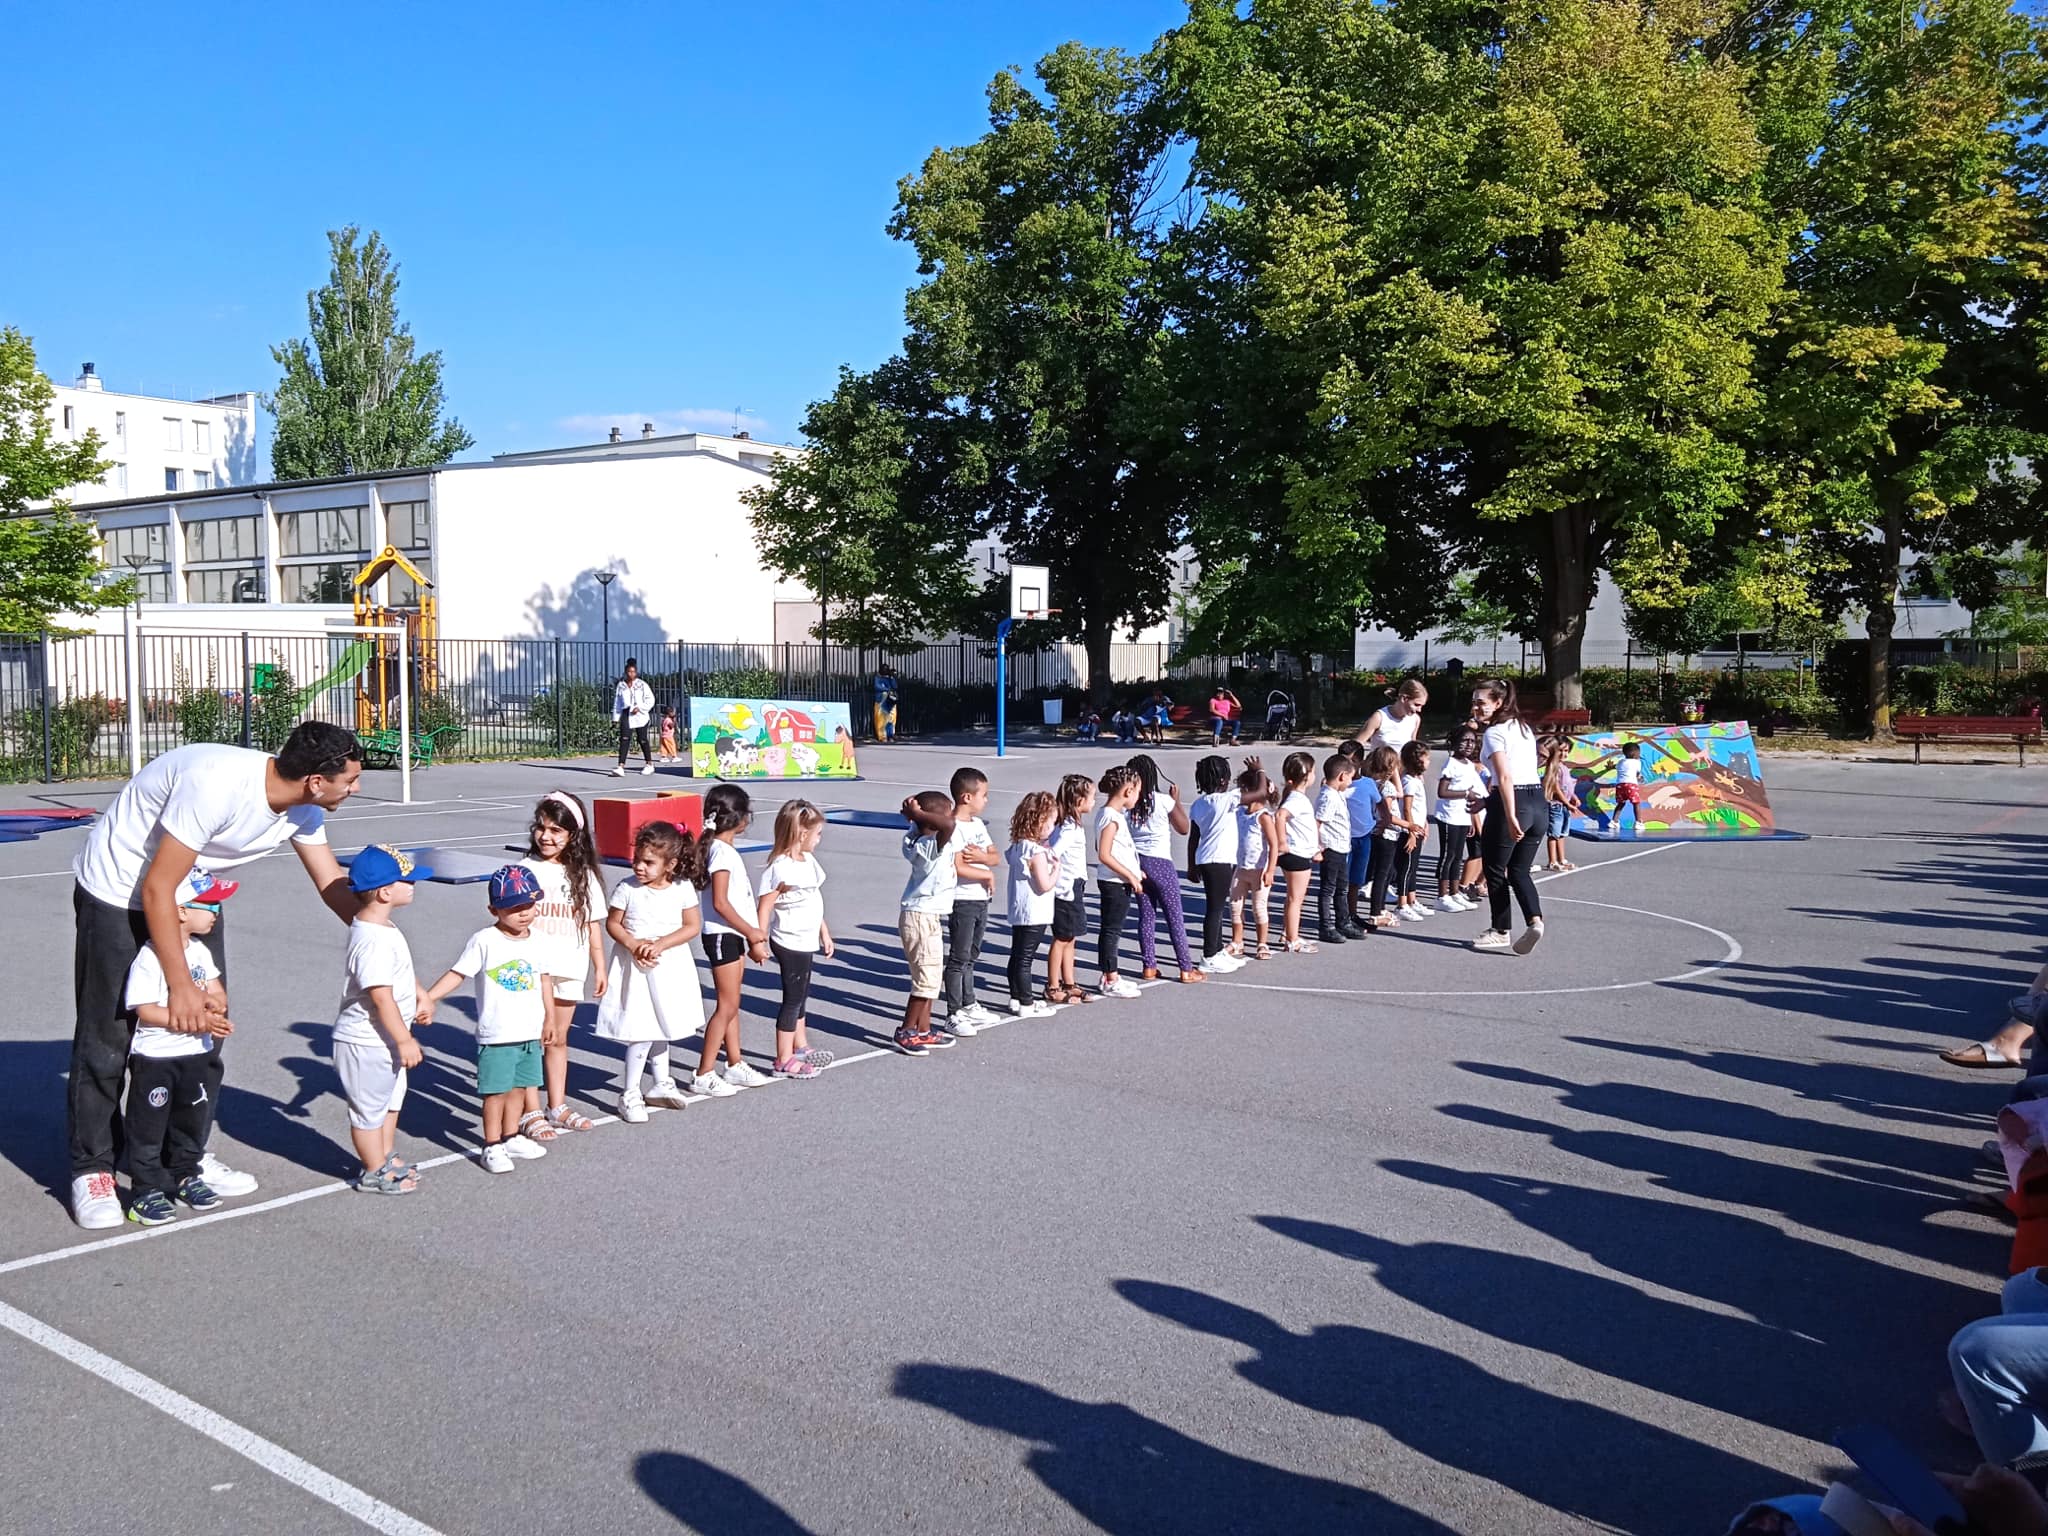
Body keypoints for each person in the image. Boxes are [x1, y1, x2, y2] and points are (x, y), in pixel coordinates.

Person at [67, 721, 364, 1229]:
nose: (355, 788)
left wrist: (378, 925)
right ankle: (91, 1168)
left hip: (191, 897)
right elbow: (157, 888)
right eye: (351, 780)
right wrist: (179, 986)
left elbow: (331, 882)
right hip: (120, 891)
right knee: (110, 1037)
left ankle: (183, 1159)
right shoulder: (216, 785)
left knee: (206, 1030)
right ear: (316, 779)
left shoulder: (304, 809)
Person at [419, 865, 558, 1176]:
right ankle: (492, 1144)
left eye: (529, 905)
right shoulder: (485, 940)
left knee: (521, 1087)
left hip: (529, 1032)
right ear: (493, 909)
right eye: (513, 908)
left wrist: (550, 1018)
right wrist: (429, 997)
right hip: (497, 1034)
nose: (523, 913)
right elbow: (458, 973)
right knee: (495, 1093)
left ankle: (511, 1137)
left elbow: (545, 981)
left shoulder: (540, 941)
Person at [120, 870, 237, 1225]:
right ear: (181, 911)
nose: (216, 912)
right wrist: (193, 1018)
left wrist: (215, 1005)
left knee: (191, 1117)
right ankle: (145, 1190)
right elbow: (145, 1010)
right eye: (210, 904)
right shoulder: (151, 958)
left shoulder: (200, 951)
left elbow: (216, 990)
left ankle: (186, 1175)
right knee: (149, 1125)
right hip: (157, 1058)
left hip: (194, 1055)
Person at [331, 846, 429, 1197]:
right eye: (408, 880)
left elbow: (397, 978)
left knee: (390, 1100)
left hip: (383, 1037)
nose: (415, 885)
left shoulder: (383, 926)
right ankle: (373, 1170)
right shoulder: (371, 940)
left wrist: (421, 994)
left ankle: (384, 1156)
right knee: (368, 1111)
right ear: (385, 891)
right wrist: (403, 1038)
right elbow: (380, 995)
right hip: (365, 1041)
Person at [597, 821, 704, 1122]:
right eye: (637, 860)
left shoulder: (682, 888)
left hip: (667, 965)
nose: (639, 867)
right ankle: (630, 1091)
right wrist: (634, 945)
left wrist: (661, 944)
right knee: (641, 1030)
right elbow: (613, 923)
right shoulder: (627, 888)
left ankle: (660, 1083)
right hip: (636, 968)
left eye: (648, 862)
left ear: (670, 864)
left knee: (662, 1024)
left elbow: (692, 926)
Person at [519, 791, 606, 1139]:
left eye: (556, 830)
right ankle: (530, 1111)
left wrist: (599, 966)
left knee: (557, 1039)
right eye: (541, 827)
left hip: (568, 969)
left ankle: (557, 1105)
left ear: (573, 835)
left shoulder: (582, 875)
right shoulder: (524, 870)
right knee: (529, 1040)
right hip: (530, 972)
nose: (546, 836)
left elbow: (591, 924)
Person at [692, 784, 771, 1096]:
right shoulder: (721, 854)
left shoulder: (723, 850)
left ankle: (734, 1063)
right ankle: (704, 1072)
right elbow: (721, 903)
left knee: (733, 1002)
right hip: (722, 935)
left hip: (733, 935)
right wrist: (752, 932)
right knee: (726, 1006)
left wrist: (749, 938)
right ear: (739, 818)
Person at [756, 799, 838, 1078]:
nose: (819, 839)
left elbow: (814, 899)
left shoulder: (808, 862)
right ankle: (783, 1058)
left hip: (806, 938)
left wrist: (824, 931)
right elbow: (765, 906)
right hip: (789, 940)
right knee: (792, 999)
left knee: (801, 994)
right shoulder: (781, 868)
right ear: (802, 834)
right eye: (817, 834)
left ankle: (800, 1045)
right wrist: (759, 939)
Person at [1471, 678, 1545, 955]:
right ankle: (1535, 921)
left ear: (1498, 703)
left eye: (1482, 702)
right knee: (1519, 870)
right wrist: (1487, 801)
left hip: (1514, 804)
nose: (1476, 707)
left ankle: (1500, 930)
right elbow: (1526, 769)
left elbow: (1504, 775)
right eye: (1474, 701)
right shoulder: (1524, 728)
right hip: (1537, 802)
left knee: (1494, 869)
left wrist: (1511, 815)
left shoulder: (1494, 732)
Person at [1127, 753, 1202, 984]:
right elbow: (1183, 827)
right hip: (1161, 862)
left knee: (1146, 916)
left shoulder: (1127, 805)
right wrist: (1176, 800)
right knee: (1174, 916)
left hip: (1137, 863)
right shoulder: (1162, 801)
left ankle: (1149, 965)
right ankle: (1186, 968)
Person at [898, 791, 962, 1053]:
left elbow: (943, 823)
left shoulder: (916, 836)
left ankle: (924, 1029)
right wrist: (918, 814)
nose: (950, 817)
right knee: (924, 979)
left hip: (926, 915)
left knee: (932, 977)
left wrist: (915, 815)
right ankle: (907, 1031)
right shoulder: (928, 844)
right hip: (920, 917)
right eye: (945, 812)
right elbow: (949, 825)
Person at [940, 767, 1001, 1037]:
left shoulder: (977, 825)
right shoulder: (952, 827)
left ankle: (969, 1002)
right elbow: (958, 867)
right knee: (959, 956)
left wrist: (984, 860)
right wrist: (985, 872)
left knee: (972, 955)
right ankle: (953, 1012)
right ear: (966, 797)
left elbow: (994, 855)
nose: (986, 800)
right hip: (961, 900)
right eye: (984, 795)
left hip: (980, 900)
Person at [1188, 755, 1246, 972]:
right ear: (1223, 780)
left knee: (1217, 907)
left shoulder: (1199, 803)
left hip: (1207, 859)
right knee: (1215, 909)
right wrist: (1258, 771)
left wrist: (1192, 865)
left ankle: (1218, 949)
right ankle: (1209, 955)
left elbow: (1193, 838)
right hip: (1219, 860)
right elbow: (1259, 792)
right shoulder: (1226, 799)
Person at [1005, 791, 1060, 1018]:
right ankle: (1027, 1002)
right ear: (1040, 822)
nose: (1053, 828)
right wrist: (1056, 869)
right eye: (1051, 823)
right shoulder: (1036, 852)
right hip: (1035, 911)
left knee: (1017, 954)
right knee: (1026, 958)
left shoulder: (1018, 846)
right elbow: (1044, 885)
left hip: (1020, 909)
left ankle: (1016, 997)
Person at [1094, 766, 1145, 998]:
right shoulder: (1110, 817)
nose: (1138, 797)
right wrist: (1130, 875)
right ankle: (1109, 977)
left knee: (1114, 929)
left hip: (1119, 879)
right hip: (1114, 882)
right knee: (1111, 930)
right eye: (1137, 792)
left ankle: (1111, 973)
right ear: (1127, 790)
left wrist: (1135, 870)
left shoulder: (1113, 816)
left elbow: (1118, 849)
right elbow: (1103, 854)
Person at [1046, 774, 1097, 1006]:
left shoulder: (1072, 825)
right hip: (1065, 889)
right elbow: (1053, 852)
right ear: (1078, 801)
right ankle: (1053, 986)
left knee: (1071, 936)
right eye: (1091, 797)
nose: (1094, 801)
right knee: (1061, 937)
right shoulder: (1068, 829)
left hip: (1075, 885)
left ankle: (1069, 982)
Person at [1229, 758, 1279, 960]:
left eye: (1244, 789)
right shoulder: (1239, 812)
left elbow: (1274, 844)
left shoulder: (1264, 816)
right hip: (1240, 868)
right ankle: (1237, 941)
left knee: (1259, 908)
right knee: (1235, 905)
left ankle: (1262, 943)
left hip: (1259, 870)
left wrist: (1270, 870)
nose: (1242, 794)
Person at [1433, 730, 1485, 913]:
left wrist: (1471, 817)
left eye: (1473, 741)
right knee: (1447, 856)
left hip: (1462, 816)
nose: (1469, 744)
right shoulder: (1451, 764)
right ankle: (1442, 896)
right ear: (1455, 742)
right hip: (1448, 816)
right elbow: (1442, 792)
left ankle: (1455, 892)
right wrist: (1465, 794)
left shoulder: (1470, 764)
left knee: (1457, 857)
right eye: (1465, 740)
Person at [1275, 751, 1321, 954]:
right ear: (1307, 775)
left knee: (1293, 897)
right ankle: (1293, 939)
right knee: (1296, 899)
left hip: (1300, 853)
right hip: (1296, 855)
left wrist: (1315, 848)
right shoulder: (1296, 799)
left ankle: (1288, 932)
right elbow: (1280, 815)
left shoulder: (1297, 797)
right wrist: (1282, 842)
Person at [1314, 753, 1361, 945]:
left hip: (1342, 848)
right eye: (1350, 777)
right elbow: (1318, 822)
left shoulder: (1336, 793)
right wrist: (1317, 846)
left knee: (1342, 887)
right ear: (1342, 776)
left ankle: (1344, 921)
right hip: (1331, 848)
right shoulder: (1329, 797)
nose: (1351, 781)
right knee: (1328, 888)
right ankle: (1326, 926)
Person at [1359, 745, 1405, 930]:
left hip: (1379, 831)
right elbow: (1387, 814)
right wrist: (1408, 825)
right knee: (1382, 874)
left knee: (1384, 873)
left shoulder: (1371, 782)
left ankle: (1380, 908)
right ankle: (1376, 912)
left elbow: (1398, 795)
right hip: (1386, 833)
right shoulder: (1386, 787)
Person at [1395, 740, 1434, 921]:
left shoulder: (1416, 779)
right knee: (1406, 868)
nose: (1429, 762)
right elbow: (1407, 809)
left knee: (1414, 867)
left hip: (1417, 828)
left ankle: (1412, 900)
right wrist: (1410, 832)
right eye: (1427, 758)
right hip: (1409, 831)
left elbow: (1420, 807)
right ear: (1416, 760)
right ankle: (1401, 904)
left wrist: (1424, 823)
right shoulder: (1408, 782)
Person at [610, 658, 656, 777]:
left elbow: (650, 699)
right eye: (629, 672)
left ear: (636, 672)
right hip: (626, 713)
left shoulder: (642, 684)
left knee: (642, 739)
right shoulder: (621, 685)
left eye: (633, 672)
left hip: (640, 715)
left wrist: (640, 707)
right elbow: (618, 702)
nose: (631, 674)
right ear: (626, 672)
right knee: (624, 739)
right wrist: (615, 718)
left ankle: (649, 764)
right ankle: (621, 766)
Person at [1355, 678, 1428, 752]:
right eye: (1416, 705)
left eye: (1422, 706)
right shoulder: (1379, 717)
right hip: (1379, 763)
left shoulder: (1415, 719)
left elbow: (1412, 751)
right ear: (1404, 699)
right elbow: (1356, 746)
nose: (1419, 710)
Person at [1542, 737, 1581, 872]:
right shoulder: (1554, 766)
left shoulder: (1564, 767)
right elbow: (1555, 788)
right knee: (1554, 834)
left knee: (1562, 833)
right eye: (1561, 750)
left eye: (1566, 751)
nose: (1564, 754)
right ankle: (1552, 861)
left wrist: (1573, 798)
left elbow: (1568, 786)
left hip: (1564, 805)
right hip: (1556, 805)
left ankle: (1561, 859)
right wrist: (1566, 802)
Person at [873, 665, 900, 743]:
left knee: (891, 719)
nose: (885, 670)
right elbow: (877, 687)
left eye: (887, 669)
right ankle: (882, 736)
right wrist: (887, 689)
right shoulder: (878, 678)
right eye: (884, 669)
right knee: (881, 719)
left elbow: (895, 686)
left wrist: (892, 677)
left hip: (890, 701)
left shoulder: (890, 678)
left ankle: (890, 735)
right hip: (881, 701)